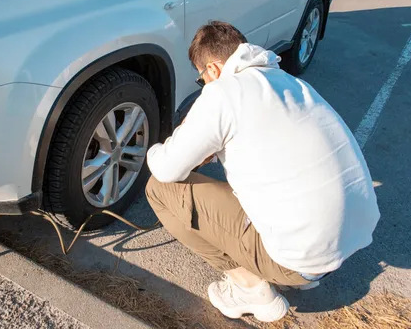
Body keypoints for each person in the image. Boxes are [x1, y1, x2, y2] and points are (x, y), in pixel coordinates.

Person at [145, 21, 380, 323]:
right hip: (350, 239)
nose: (205, 85)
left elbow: (166, 168)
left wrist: (154, 150)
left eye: (201, 78)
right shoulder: (290, 84)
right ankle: (305, 269)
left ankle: (249, 289)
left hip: (301, 255)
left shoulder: (222, 94)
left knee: (159, 190)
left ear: (214, 69)